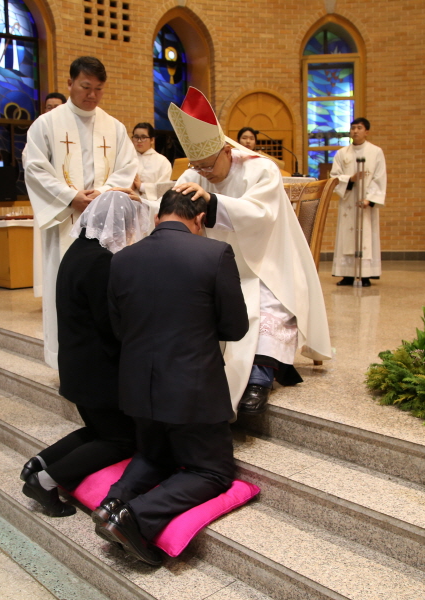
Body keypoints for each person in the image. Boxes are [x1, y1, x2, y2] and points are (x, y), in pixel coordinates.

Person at [93, 189, 248, 565]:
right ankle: (135, 518)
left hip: (138, 386)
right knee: (212, 471)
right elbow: (235, 327)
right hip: (191, 388)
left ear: (157, 217)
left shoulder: (122, 259)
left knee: (153, 454)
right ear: (199, 219)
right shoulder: (214, 253)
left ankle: (111, 504)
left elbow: (118, 326)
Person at [169, 88, 333, 415]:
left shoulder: (261, 170)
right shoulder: (194, 172)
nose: (202, 173)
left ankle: (259, 380)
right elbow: (171, 205)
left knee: (267, 305)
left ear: (226, 151)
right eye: (197, 167)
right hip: (217, 266)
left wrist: (212, 201)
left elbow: (260, 214)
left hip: (266, 262)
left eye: (207, 165)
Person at [20, 191, 149, 518]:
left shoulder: (77, 250)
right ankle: (46, 481)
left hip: (78, 364)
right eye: (130, 226)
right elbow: (109, 324)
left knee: (99, 432)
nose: (131, 233)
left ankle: (38, 463)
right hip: (98, 371)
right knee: (121, 440)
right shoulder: (101, 261)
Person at [24, 56, 138, 369]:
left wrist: (102, 195)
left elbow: (128, 166)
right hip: (66, 220)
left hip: (106, 224)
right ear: (70, 83)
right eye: (86, 87)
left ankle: (107, 360)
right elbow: (34, 167)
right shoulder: (47, 124)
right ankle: (65, 362)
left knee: (104, 291)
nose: (92, 95)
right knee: (66, 290)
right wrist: (70, 196)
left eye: (99, 89)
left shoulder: (114, 127)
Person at [329, 117, 387, 287]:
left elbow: (379, 177)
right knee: (347, 237)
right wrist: (350, 179)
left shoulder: (376, 152)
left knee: (366, 236)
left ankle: (365, 275)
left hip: (365, 203)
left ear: (366, 131)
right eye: (353, 127)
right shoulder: (342, 153)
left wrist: (370, 199)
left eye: (359, 128)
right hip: (349, 202)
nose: (355, 131)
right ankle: (347, 275)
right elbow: (334, 177)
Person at [130, 122, 172, 205]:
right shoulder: (127, 159)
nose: (139, 141)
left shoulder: (162, 161)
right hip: (128, 202)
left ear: (152, 140)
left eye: (143, 137)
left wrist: (141, 186)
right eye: (136, 137)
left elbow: (164, 188)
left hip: (151, 205)